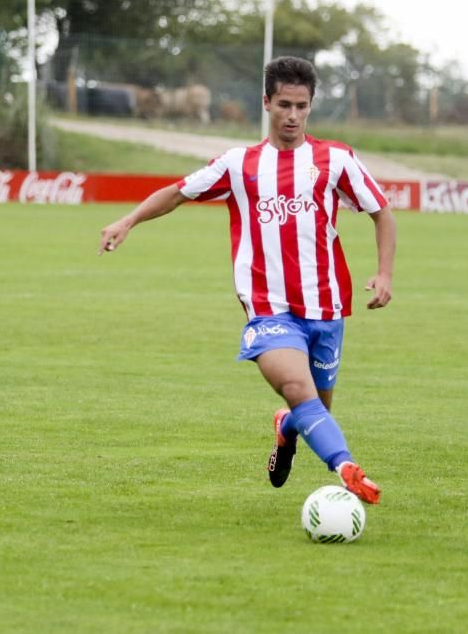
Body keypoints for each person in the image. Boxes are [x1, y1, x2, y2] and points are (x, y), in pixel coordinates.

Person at [98, 56, 395, 504]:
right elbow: (177, 193)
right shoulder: (239, 164)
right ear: (266, 103)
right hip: (268, 309)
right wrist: (129, 220)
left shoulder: (335, 159)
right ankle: (347, 469)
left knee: (311, 410)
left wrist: (384, 272)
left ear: (310, 106)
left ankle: (285, 428)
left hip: (327, 309)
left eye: (301, 105)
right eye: (283, 104)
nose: (292, 115)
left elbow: (380, 211)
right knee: (298, 389)